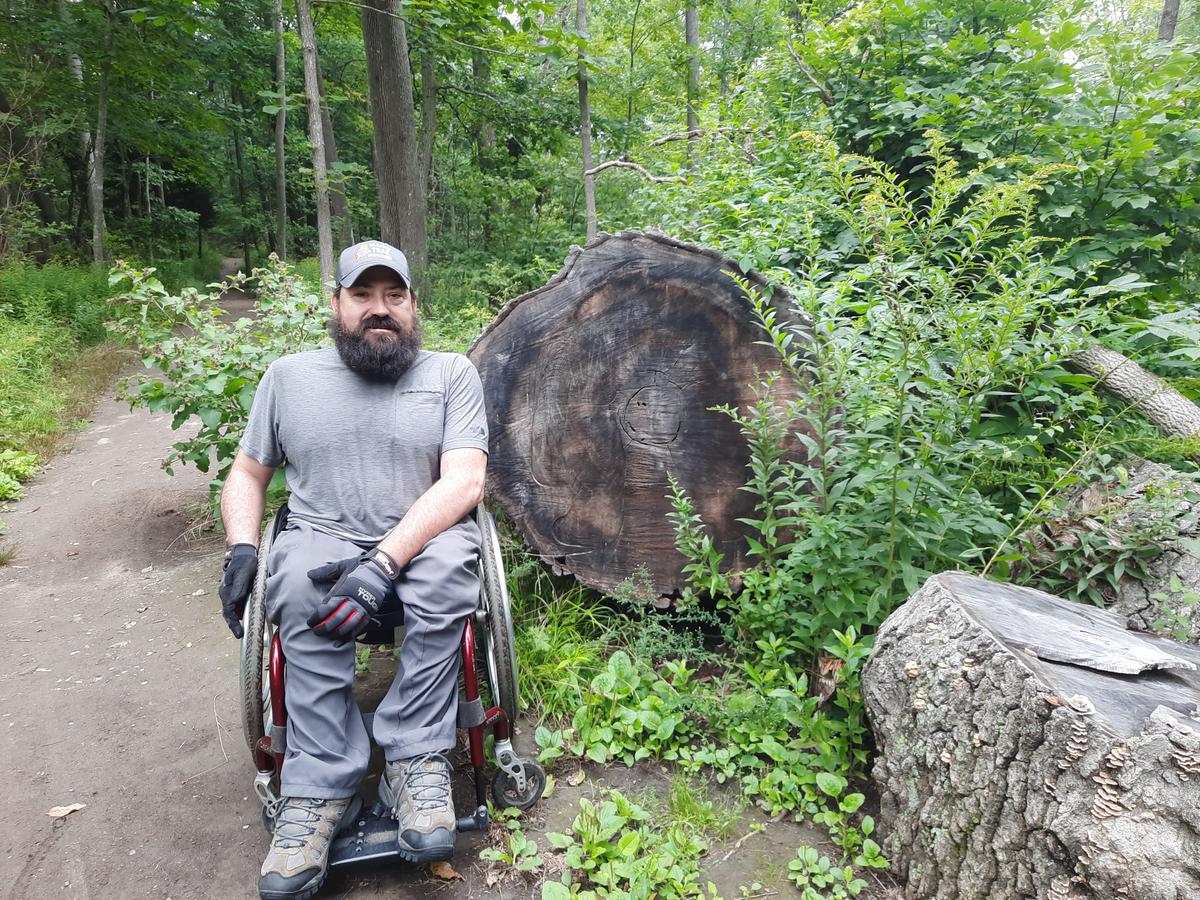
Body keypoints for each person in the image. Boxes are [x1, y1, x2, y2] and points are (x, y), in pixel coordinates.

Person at [217, 239, 489, 900]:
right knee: (290, 577)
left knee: (453, 567)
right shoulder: (288, 377)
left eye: (393, 295)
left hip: (422, 534)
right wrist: (242, 545)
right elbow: (248, 472)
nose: (380, 309)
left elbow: (465, 482)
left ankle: (414, 757)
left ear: (412, 305)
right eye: (363, 296)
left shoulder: (451, 373)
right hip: (320, 531)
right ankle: (317, 786)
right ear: (336, 304)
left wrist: (383, 562)